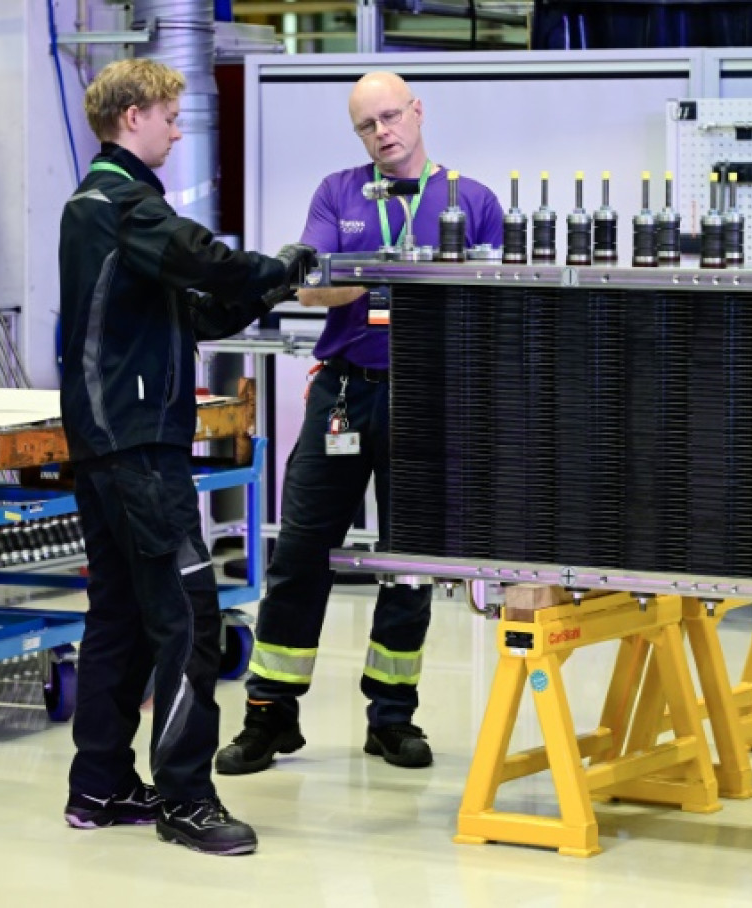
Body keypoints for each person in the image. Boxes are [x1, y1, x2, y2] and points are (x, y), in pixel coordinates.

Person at [57, 58, 315, 855]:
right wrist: (278, 264)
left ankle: (97, 786)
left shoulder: (113, 214)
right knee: (188, 616)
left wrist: (273, 288)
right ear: (132, 115)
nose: (177, 130)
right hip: (135, 446)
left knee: (123, 617)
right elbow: (204, 257)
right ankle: (186, 800)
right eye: (170, 116)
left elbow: (193, 313)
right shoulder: (118, 202)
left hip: (112, 444)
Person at [215, 72, 503, 775]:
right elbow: (313, 284)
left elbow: (490, 300)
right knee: (300, 552)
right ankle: (269, 714)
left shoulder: (472, 199)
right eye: (368, 124)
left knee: (408, 562)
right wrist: (386, 273)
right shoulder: (338, 192)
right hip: (344, 393)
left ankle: (392, 717)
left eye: (391, 116)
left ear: (417, 111)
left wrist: (378, 275)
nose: (383, 132)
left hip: (426, 397)